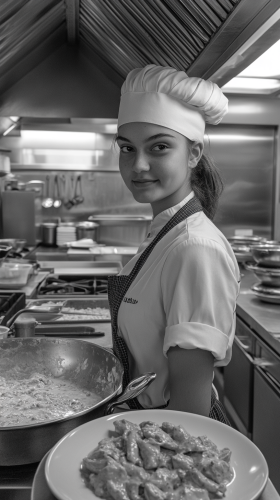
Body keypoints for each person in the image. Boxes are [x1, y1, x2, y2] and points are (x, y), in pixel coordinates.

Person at [108, 64, 240, 424]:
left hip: (167, 439)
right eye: (127, 148)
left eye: (159, 147)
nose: (139, 165)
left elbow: (189, 410)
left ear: (193, 153)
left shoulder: (195, 248)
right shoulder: (166, 233)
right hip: (141, 425)